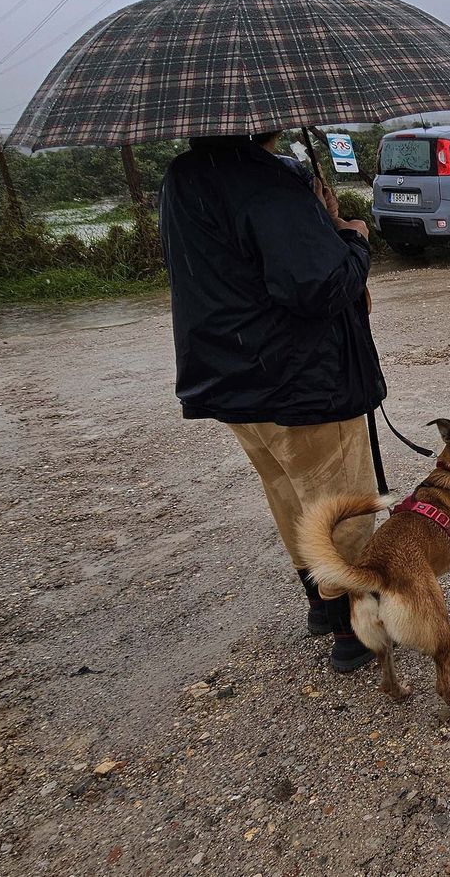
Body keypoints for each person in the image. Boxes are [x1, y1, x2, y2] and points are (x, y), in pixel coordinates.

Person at [159, 130, 385, 673]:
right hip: (303, 380)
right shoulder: (268, 184)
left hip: (237, 380)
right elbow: (319, 286)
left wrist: (316, 219)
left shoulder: (183, 177)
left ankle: (322, 606)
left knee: (290, 497)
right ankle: (355, 628)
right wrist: (353, 238)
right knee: (340, 505)